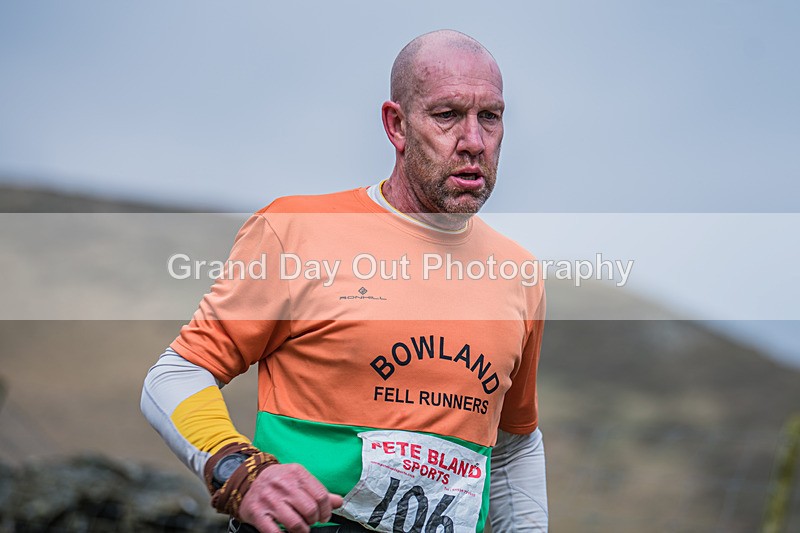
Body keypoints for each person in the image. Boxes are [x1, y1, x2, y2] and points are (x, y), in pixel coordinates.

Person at [142, 29, 548, 532]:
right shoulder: (297, 231)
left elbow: (512, 446)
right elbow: (176, 374)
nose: (474, 142)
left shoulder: (518, 273)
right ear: (396, 125)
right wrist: (238, 470)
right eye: (447, 115)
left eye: (490, 116)